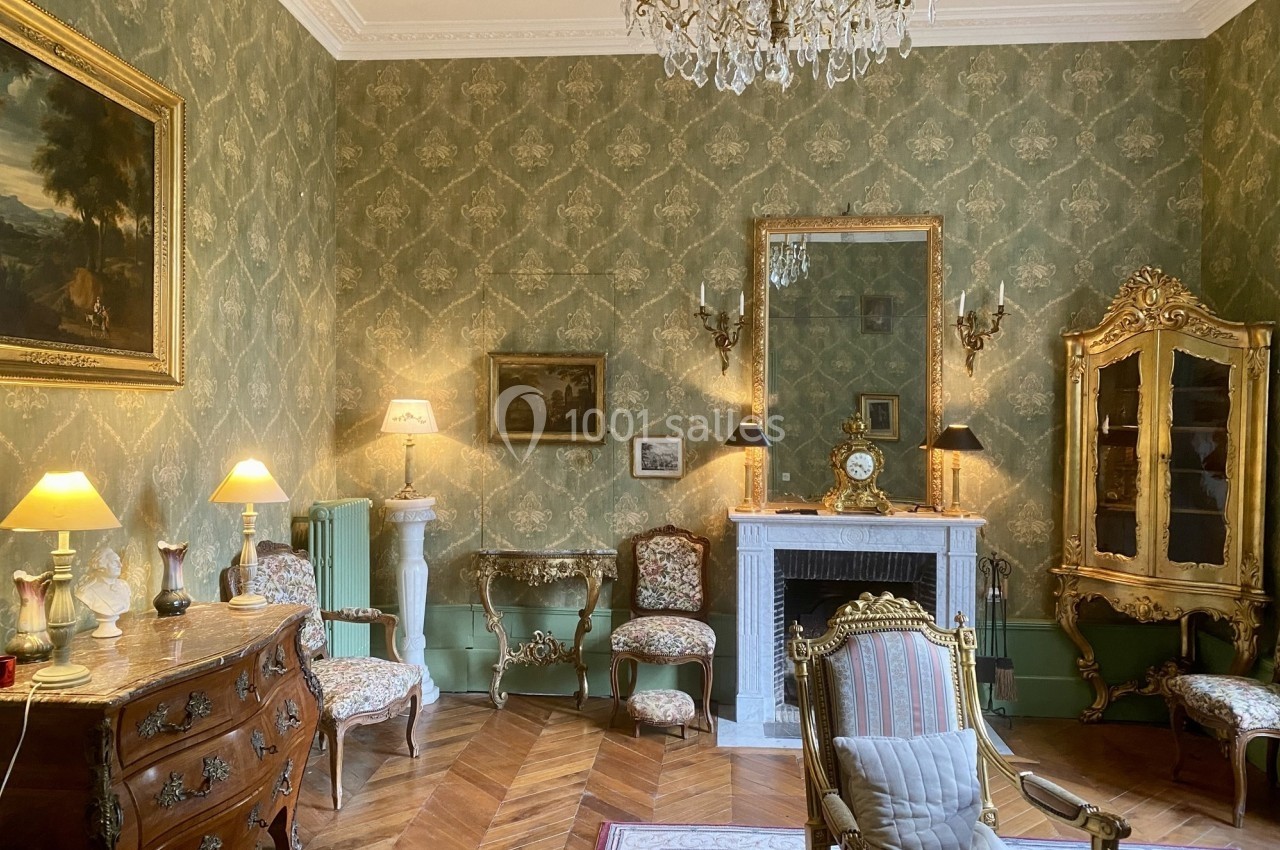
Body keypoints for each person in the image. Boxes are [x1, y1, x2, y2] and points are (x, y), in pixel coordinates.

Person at [76, 548, 130, 638]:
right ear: (101, 566)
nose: (120, 565)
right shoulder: (86, 592)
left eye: (119, 561)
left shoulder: (124, 586)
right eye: (114, 562)